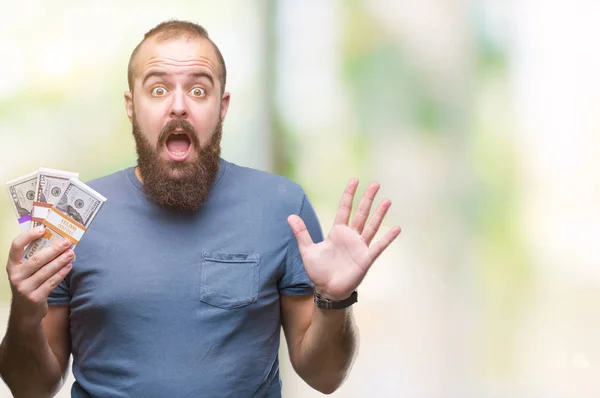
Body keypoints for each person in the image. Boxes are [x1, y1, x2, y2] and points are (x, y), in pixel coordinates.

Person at [0, 20, 401, 397]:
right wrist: (24, 310)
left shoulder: (283, 207)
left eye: (198, 90)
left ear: (222, 106)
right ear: (130, 105)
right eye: (158, 90)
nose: (178, 107)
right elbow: (30, 389)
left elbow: (325, 377)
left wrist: (335, 299)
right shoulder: (73, 218)